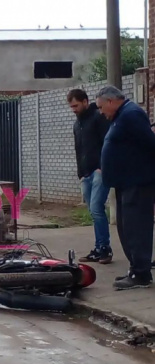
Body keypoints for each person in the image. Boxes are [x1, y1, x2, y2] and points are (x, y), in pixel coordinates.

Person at [96, 86, 155, 290]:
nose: (101, 112)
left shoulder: (131, 115)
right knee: (126, 228)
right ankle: (135, 269)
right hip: (125, 183)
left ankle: (141, 274)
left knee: (136, 228)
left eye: (101, 107)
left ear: (111, 101)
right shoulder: (122, 115)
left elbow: (150, 144)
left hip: (137, 182)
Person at [67, 89, 113, 264]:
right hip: (85, 173)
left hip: (99, 171)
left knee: (96, 208)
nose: (74, 109)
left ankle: (105, 249)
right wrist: (80, 173)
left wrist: (102, 167)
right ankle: (99, 247)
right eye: (71, 107)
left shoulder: (98, 118)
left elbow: (108, 142)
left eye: (76, 105)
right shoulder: (77, 124)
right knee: (93, 212)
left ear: (85, 102)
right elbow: (79, 149)